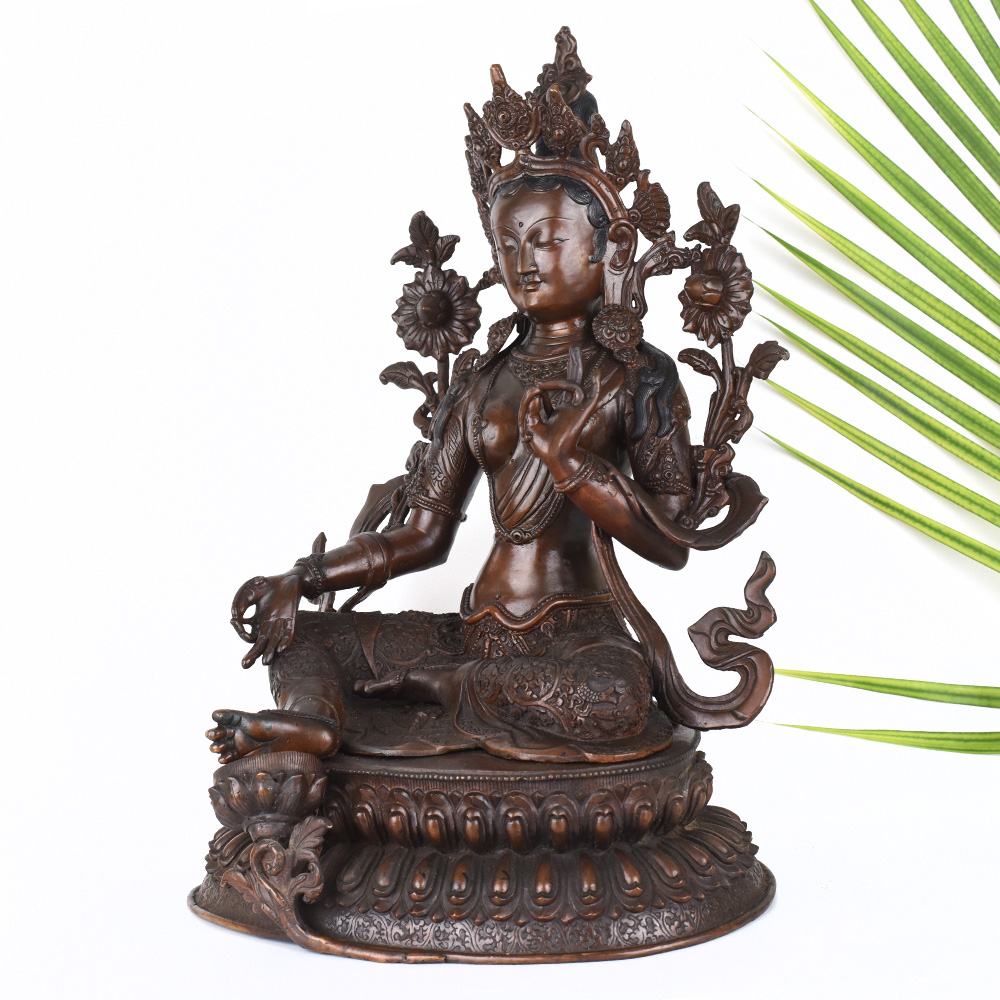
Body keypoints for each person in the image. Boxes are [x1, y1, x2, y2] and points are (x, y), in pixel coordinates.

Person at [208, 35, 774, 767]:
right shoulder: (484, 381)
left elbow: (668, 546)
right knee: (303, 638)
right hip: (475, 630)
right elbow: (422, 537)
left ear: (609, 249)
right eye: (508, 246)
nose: (523, 264)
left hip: (578, 639)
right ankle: (316, 721)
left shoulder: (641, 376)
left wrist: (573, 470)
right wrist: (302, 577)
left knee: (616, 699)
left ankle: (442, 690)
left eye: (546, 241)